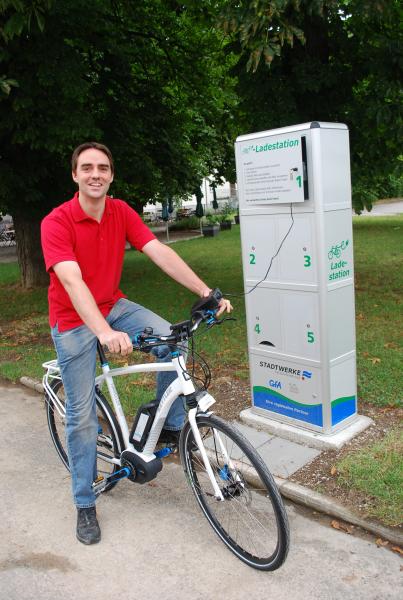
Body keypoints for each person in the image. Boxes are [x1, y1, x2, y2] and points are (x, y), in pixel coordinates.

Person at [41, 142, 232, 545]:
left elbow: (158, 250)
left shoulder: (121, 211)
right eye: (87, 167)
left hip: (114, 305)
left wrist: (205, 293)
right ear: (75, 174)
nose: (96, 174)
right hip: (74, 320)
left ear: (111, 175)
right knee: (81, 418)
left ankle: (167, 429)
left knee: (172, 343)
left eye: (104, 168)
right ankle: (84, 502)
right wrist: (103, 332)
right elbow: (72, 282)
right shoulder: (56, 222)